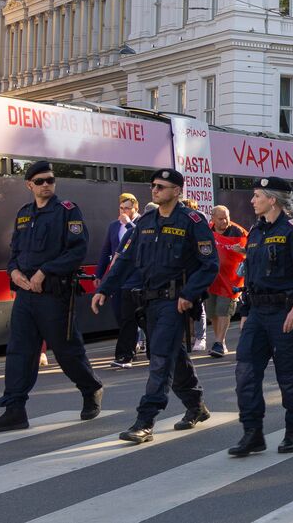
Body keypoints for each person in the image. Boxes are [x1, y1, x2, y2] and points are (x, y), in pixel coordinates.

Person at [91, 168, 216, 444]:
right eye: (153, 186)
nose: (155, 190)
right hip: (148, 302)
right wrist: (104, 289)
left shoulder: (192, 221)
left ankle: (145, 420)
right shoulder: (146, 221)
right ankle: (196, 406)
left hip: (176, 302)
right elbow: (123, 259)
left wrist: (190, 293)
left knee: (160, 357)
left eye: (161, 186)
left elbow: (210, 264)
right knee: (173, 354)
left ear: (177, 191)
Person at [0, 161, 104, 433]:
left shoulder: (67, 212)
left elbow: (76, 250)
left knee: (66, 351)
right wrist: (13, 273)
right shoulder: (24, 214)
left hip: (55, 295)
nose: (46, 184)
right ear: (29, 186)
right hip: (25, 296)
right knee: (19, 352)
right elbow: (14, 254)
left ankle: (90, 388)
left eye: (50, 180)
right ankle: (15, 410)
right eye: (40, 181)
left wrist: (44, 272)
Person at [228, 177, 293, 456]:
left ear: (272, 199)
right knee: (245, 372)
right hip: (257, 312)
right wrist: (246, 311)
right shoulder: (256, 232)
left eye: (257, 195)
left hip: (286, 312)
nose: (252, 200)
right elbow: (252, 276)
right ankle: (252, 432)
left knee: (289, 377)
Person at [97, 193, 144, 369]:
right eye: (122, 208)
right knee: (123, 316)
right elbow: (107, 251)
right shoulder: (114, 226)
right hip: (120, 279)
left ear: (135, 208)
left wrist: (128, 224)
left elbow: (140, 239)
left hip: (138, 279)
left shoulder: (141, 223)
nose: (124, 211)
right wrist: (100, 275)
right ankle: (129, 350)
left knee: (141, 317)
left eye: (128, 208)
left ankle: (137, 350)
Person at [206, 206, 248, 357]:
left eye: (227, 217)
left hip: (231, 281)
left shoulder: (239, 232)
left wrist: (242, 251)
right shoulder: (207, 230)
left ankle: (218, 342)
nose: (225, 221)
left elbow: (253, 251)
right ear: (213, 219)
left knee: (223, 310)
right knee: (213, 313)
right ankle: (220, 341)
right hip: (212, 279)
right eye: (221, 218)